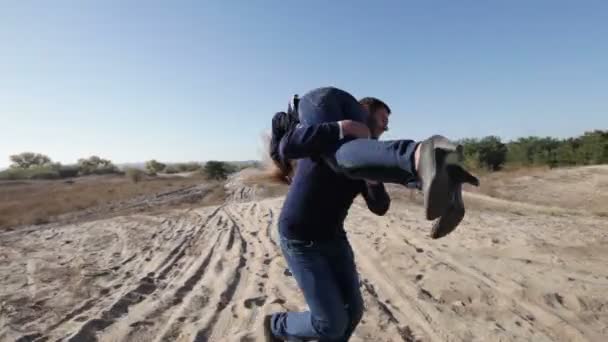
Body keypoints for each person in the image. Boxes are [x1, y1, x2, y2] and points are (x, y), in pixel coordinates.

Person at [264, 86, 478, 341]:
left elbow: (380, 207)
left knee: (352, 314)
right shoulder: (325, 141)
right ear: (362, 111)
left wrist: (374, 180)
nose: (386, 128)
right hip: (300, 240)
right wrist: (342, 127)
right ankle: (277, 326)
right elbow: (288, 146)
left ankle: (437, 168)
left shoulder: (362, 158)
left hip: (333, 238)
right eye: (383, 120)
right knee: (330, 324)